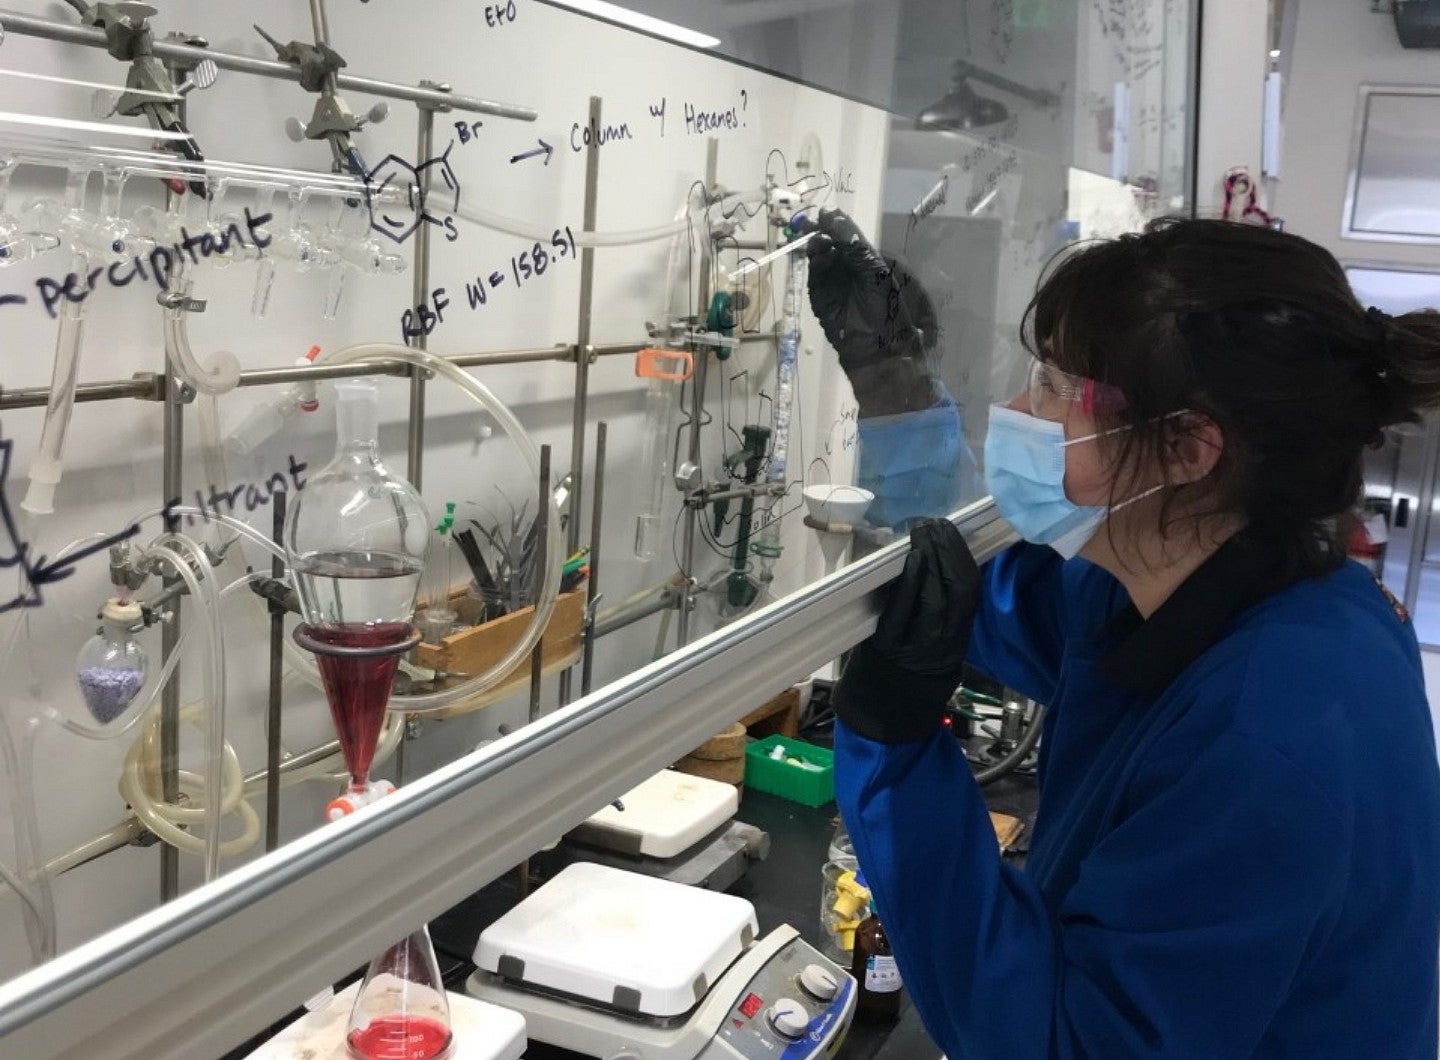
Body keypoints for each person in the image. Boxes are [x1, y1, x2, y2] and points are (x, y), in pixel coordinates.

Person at [825, 217, 1440, 1058]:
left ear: (1188, 446)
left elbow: (1067, 1045)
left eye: (1052, 388)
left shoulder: (1265, 740)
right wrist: (897, 395)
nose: (1014, 413)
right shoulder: (1241, 591)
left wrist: (897, 756)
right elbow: (983, 592)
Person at [806, 209, 982, 530]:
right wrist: (868, 364)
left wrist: (890, 364)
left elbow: (929, 516)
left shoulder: (941, 459)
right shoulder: (870, 443)